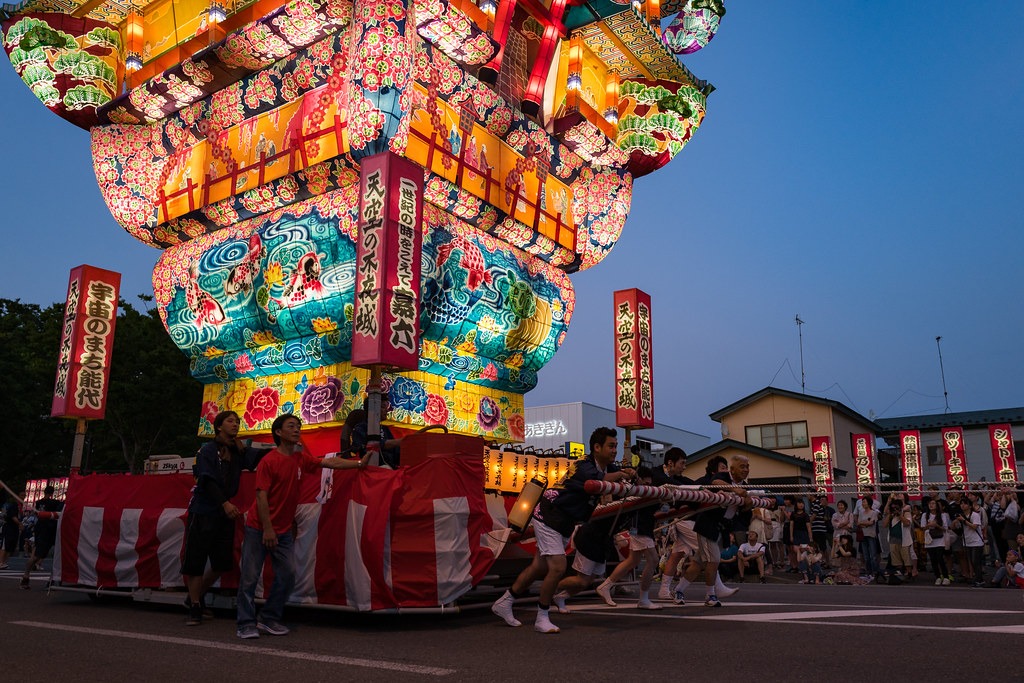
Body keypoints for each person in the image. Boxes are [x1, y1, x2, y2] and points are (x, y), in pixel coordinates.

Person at [237, 414, 371, 639]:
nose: (297, 430)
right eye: (291, 426)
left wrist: (358, 464)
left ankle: (268, 618)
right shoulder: (269, 461)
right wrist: (268, 528)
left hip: (283, 530)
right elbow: (261, 497)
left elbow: (328, 462)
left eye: (298, 426)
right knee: (249, 577)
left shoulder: (299, 458)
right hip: (259, 527)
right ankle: (245, 623)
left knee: (288, 575)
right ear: (278, 433)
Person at [491, 427, 634, 633]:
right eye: (611, 446)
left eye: (616, 446)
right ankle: (542, 616)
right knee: (557, 567)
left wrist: (627, 472)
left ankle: (504, 602)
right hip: (550, 514)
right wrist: (621, 473)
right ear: (596, 447)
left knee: (539, 567)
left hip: (564, 522)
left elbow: (614, 475)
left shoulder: (606, 467)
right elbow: (599, 481)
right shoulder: (584, 466)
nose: (614, 451)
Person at [182, 410, 265, 625]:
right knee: (196, 560)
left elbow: (260, 458)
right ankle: (196, 607)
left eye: (237, 421)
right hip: (204, 509)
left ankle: (195, 597)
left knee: (221, 562)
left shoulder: (238, 451)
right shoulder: (207, 450)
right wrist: (225, 503)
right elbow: (206, 480)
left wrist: (285, 446)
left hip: (224, 511)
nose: (235, 424)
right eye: (230, 421)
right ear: (219, 426)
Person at [593, 467, 662, 610]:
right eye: (646, 484)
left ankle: (605, 586)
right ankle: (643, 599)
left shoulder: (647, 489)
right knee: (653, 560)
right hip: (640, 527)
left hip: (641, 527)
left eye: (650, 484)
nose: (648, 486)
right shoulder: (635, 489)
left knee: (633, 560)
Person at [20, 485, 63, 589]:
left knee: (36, 554)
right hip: (49, 530)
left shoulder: (39, 503)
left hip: (40, 528)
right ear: (52, 493)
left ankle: (26, 576)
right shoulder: (54, 503)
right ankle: (51, 579)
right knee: (46, 555)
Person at [350, 398, 402, 469]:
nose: (387, 410)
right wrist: (399, 441)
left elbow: (396, 452)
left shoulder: (385, 429)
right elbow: (365, 450)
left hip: (391, 468)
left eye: (386, 407)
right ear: (373, 410)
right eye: (383, 407)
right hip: (371, 469)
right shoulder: (361, 428)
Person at [954, 498, 985, 587]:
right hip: (967, 541)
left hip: (976, 541)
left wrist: (963, 520)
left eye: (965, 504)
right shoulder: (962, 515)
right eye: (961, 504)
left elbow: (975, 526)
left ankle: (979, 580)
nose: (962, 505)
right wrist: (956, 522)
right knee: (971, 562)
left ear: (970, 506)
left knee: (976, 562)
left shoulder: (975, 515)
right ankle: (977, 579)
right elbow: (958, 528)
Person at [922, 497, 952, 585]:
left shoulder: (942, 515)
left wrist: (936, 525)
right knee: (933, 559)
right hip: (930, 540)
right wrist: (929, 525)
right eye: (930, 504)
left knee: (940, 558)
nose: (931, 505)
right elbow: (923, 527)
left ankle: (946, 576)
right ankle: (938, 576)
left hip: (940, 539)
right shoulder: (925, 515)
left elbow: (945, 528)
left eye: (933, 503)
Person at [883, 493, 913, 579]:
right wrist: (890, 514)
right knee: (896, 559)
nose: (894, 508)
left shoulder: (906, 512)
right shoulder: (891, 515)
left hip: (904, 539)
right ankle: (900, 574)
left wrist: (900, 514)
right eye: (893, 507)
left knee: (906, 558)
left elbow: (907, 523)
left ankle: (909, 574)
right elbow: (884, 525)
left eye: (896, 506)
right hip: (893, 539)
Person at [855, 496, 880, 577]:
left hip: (871, 535)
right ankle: (868, 571)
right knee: (866, 556)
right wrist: (865, 523)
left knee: (873, 556)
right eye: (862, 502)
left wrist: (863, 523)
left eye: (864, 502)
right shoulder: (861, 512)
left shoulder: (873, 512)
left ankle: (875, 571)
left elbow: (871, 523)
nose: (863, 503)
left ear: (869, 503)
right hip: (863, 535)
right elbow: (858, 523)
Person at [0, 491, 21, 570]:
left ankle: (4, 562)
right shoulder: (13, 505)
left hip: (13, 528)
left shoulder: (18, 506)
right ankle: (1, 562)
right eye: (21, 495)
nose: (23, 496)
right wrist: (20, 524)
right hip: (9, 527)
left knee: (10, 546)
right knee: (5, 545)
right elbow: (12, 516)